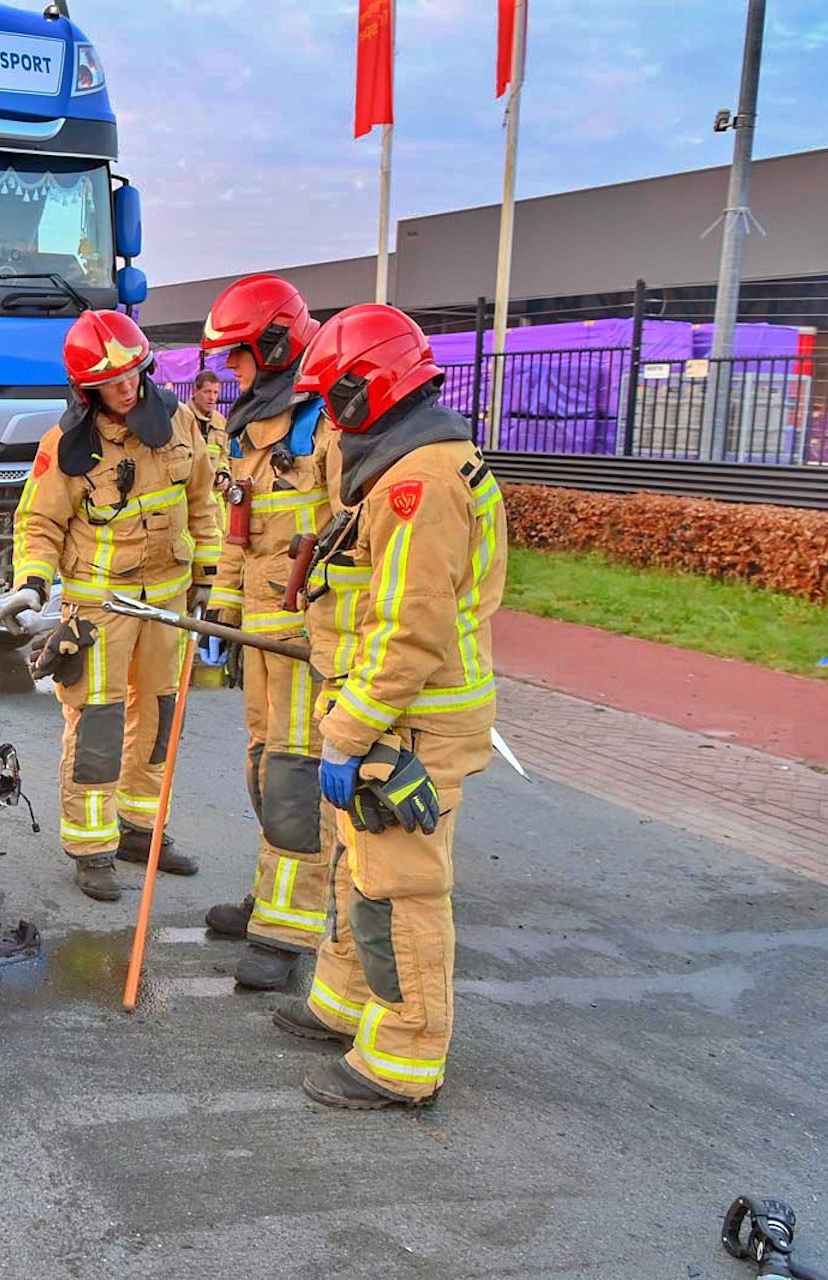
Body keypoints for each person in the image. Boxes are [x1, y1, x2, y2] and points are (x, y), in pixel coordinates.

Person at [270, 303, 507, 1110]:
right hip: (394, 711)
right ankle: (344, 1005)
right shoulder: (410, 459)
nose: (324, 422)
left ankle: (404, 1060)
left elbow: (409, 628)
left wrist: (345, 730)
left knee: (400, 884)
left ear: (366, 390)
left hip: (412, 717)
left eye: (330, 402)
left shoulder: (416, 482)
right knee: (359, 869)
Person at [0, 310, 222, 901]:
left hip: (169, 603)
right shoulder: (66, 447)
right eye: (112, 380)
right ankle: (92, 847)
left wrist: (212, 574)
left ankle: (141, 832)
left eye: (133, 373)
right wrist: (32, 584)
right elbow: (40, 523)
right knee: (97, 724)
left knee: (158, 719)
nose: (128, 387)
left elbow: (202, 500)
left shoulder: (179, 422)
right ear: (86, 388)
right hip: (101, 609)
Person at [195, 275, 335, 990]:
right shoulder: (249, 426)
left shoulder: (324, 423)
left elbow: (356, 538)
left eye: (240, 357)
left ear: (276, 346)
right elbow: (238, 527)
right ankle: (275, 895)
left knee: (293, 779)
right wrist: (220, 606)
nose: (231, 371)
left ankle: (288, 931)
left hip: (309, 644)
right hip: (263, 641)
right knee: (262, 768)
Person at [186, 370, 230, 532]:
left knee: (217, 544)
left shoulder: (220, 421)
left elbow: (224, 454)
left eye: (216, 392)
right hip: (189, 497)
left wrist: (224, 473)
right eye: (207, 392)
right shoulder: (182, 417)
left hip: (214, 499)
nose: (212, 397)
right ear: (195, 391)